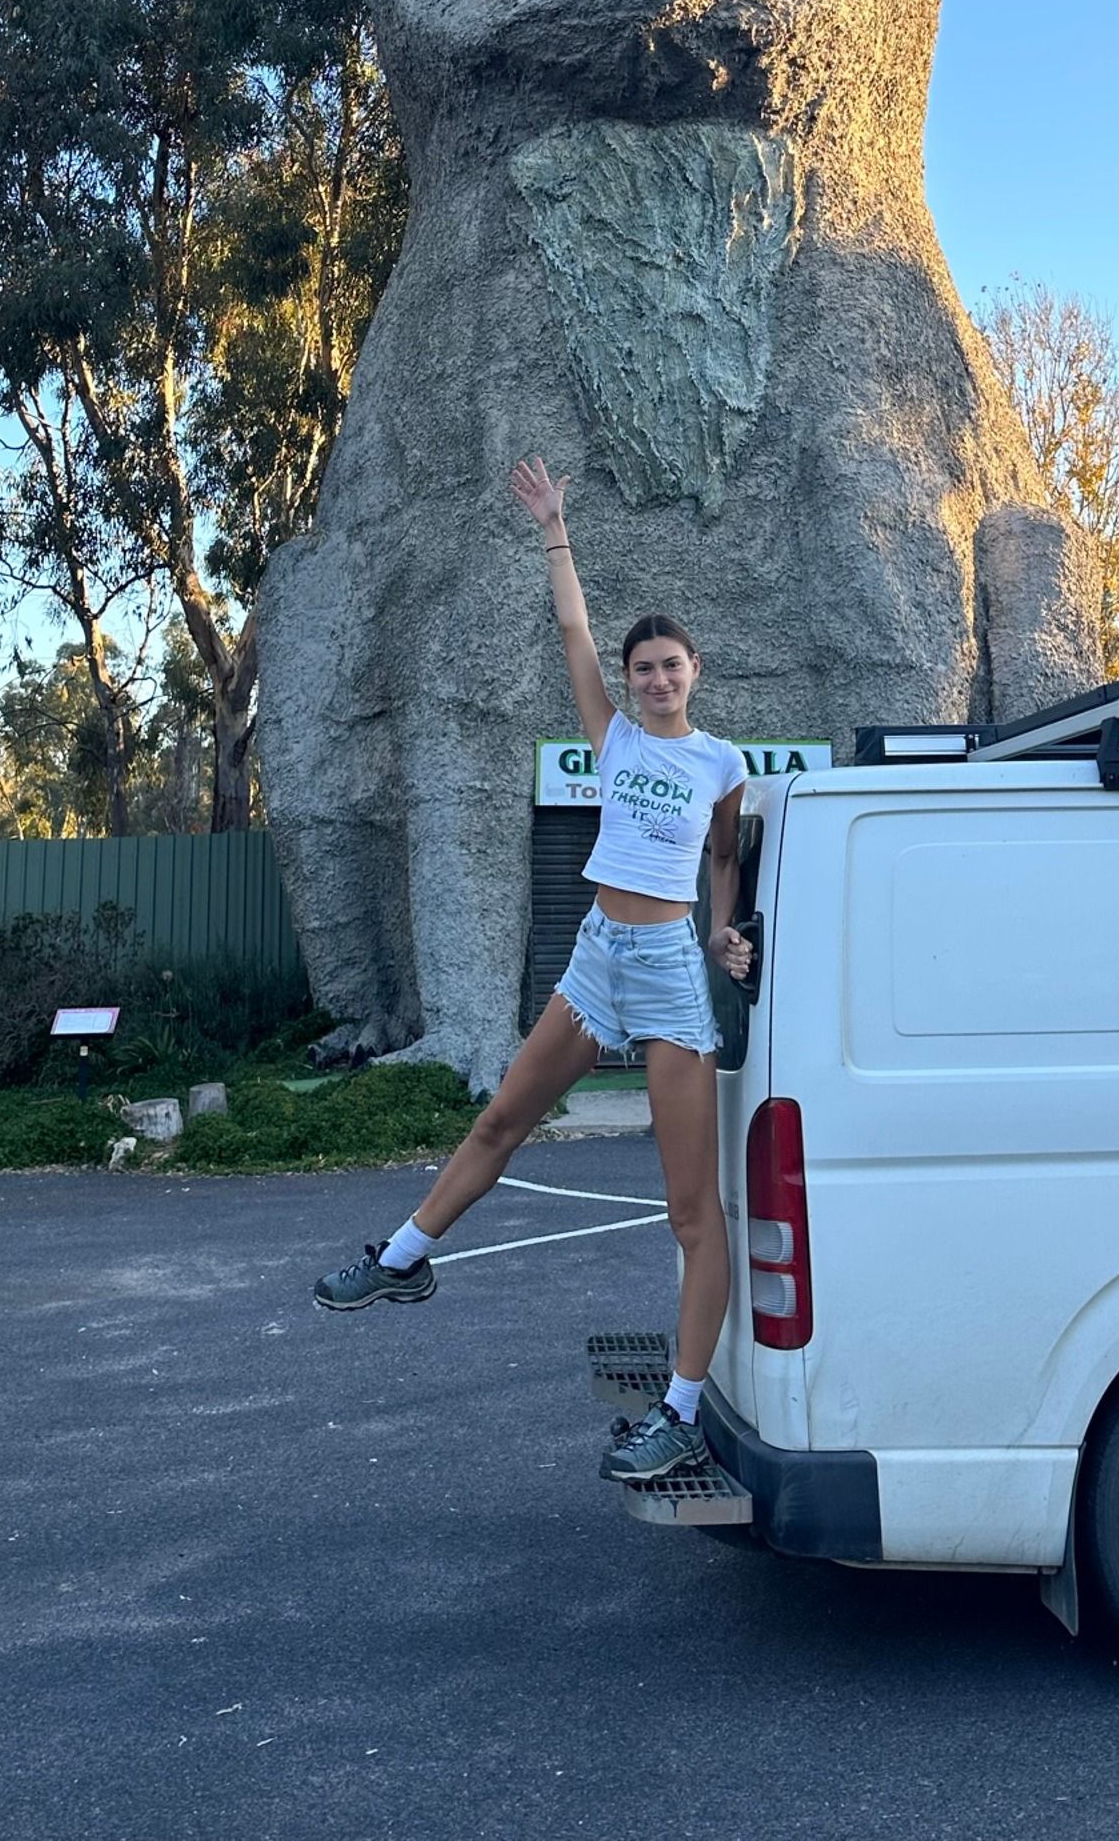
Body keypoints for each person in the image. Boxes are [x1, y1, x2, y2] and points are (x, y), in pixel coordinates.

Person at [314, 454, 754, 1484]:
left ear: (694, 671)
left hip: (667, 974)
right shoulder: (613, 737)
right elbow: (572, 631)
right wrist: (555, 530)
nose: (655, 679)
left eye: (669, 666)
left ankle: (680, 1410)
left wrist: (718, 937)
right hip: (596, 954)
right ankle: (400, 1259)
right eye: (642, 668)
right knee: (500, 1119)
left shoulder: (721, 763)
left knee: (694, 1213)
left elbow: (723, 859)